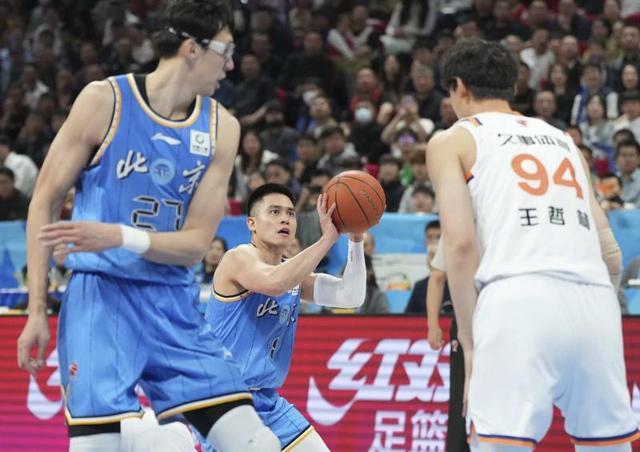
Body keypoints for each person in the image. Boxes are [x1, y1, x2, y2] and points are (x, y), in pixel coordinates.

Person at [18, 2, 281, 451]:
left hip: (172, 301)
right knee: (96, 447)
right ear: (192, 48)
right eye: (226, 51)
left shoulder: (222, 127)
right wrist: (36, 310)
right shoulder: (104, 101)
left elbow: (196, 244)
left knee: (257, 444)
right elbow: (43, 202)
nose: (232, 65)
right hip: (100, 298)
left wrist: (117, 236)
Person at [427, 39, 639, 450]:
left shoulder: (453, 139)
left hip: (517, 299)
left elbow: (460, 245)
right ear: (512, 87)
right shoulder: (564, 140)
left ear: (459, 87)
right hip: (595, 301)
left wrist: (469, 342)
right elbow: (611, 254)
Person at [207, 183, 366, 449]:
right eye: (274, 211)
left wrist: (356, 238)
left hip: (267, 402)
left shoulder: (291, 273)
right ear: (252, 224)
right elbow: (274, 283)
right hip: (223, 401)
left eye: (291, 213)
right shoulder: (238, 257)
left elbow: (350, 295)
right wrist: (327, 239)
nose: (285, 218)